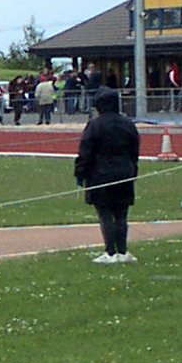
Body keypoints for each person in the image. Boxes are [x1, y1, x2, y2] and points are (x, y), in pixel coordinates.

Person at [74, 87, 140, 264]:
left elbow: (85, 152)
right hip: (124, 173)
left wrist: (80, 173)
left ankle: (110, 252)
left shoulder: (95, 125)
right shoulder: (128, 124)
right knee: (121, 214)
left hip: (100, 175)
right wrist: (133, 170)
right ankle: (123, 251)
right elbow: (135, 150)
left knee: (105, 214)